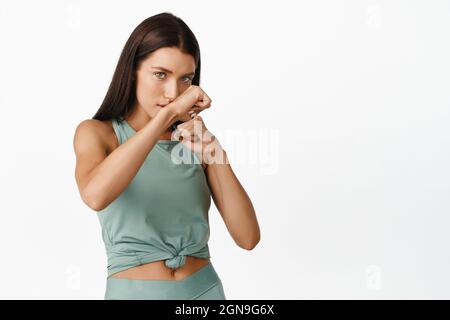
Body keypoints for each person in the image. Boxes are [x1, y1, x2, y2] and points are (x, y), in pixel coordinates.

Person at [73, 12, 260, 300]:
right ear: (133, 69)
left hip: (204, 290)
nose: (174, 92)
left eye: (186, 79)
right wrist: (169, 115)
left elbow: (248, 238)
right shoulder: (97, 133)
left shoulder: (195, 141)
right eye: (160, 74)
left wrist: (216, 155)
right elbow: (95, 195)